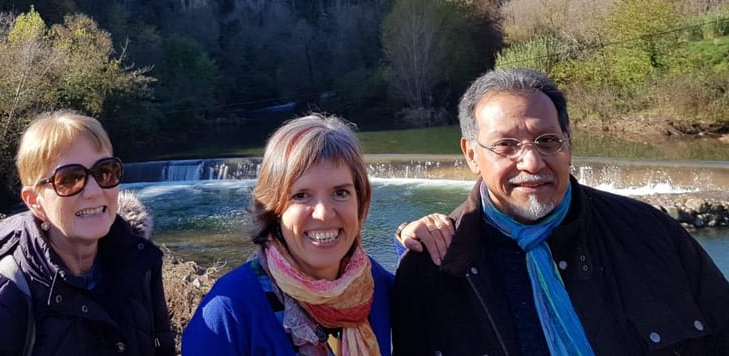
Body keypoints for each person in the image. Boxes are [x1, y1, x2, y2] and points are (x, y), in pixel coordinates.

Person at [391, 68, 729, 355]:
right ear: (471, 155)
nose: (532, 162)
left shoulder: (649, 232)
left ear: (568, 143)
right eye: (506, 145)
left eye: (547, 140)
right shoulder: (433, 268)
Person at [0, 110, 173, 355]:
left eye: (105, 172)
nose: (94, 191)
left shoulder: (139, 266)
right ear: (34, 201)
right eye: (70, 179)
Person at [183, 114, 393, 355]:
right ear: (274, 209)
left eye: (340, 193)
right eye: (301, 196)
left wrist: (415, 241)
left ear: (360, 200)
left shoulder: (373, 284)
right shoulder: (229, 313)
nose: (324, 213)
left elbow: (424, 302)